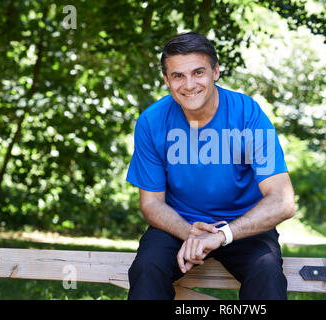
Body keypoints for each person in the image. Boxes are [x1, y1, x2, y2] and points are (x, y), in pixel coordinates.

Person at [126, 32, 295, 300]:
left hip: (242, 225)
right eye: (178, 76)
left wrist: (222, 235)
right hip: (180, 224)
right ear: (166, 79)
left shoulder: (247, 113)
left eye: (198, 72)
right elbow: (151, 204)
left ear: (215, 72)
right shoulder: (151, 121)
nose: (189, 84)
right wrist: (190, 233)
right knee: (147, 268)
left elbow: (283, 201)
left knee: (266, 272)